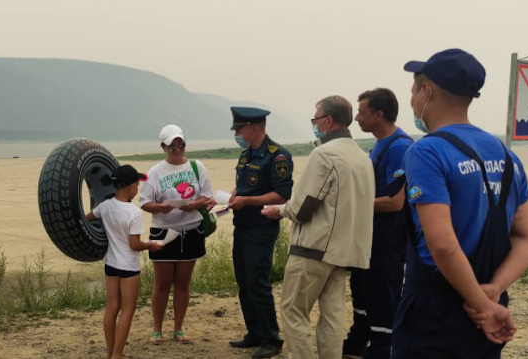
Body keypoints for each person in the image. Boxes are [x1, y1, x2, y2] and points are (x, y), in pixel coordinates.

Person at [392, 48, 528, 358]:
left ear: (425, 91)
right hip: (485, 310)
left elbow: (443, 244)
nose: (412, 100)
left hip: (436, 310)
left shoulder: (427, 152)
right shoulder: (504, 154)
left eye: (412, 91)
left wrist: (481, 303)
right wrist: (493, 292)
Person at [262, 96, 374, 359]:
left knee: (293, 310)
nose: (314, 124)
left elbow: (302, 207)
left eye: (315, 119)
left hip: (314, 247)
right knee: (333, 315)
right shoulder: (362, 158)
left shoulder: (324, 155)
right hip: (345, 251)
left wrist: (279, 211)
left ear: (328, 120)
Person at [343, 88, 413, 359]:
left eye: (361, 112)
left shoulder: (400, 147)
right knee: (361, 290)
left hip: (388, 238)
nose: (357, 117)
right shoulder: (378, 145)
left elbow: (396, 202)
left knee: (383, 294)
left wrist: (352, 205)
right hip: (368, 235)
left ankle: (383, 349)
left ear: (379, 114)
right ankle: (359, 339)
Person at [227, 106, 293, 358]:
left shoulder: (276, 156)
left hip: (261, 228)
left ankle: (271, 338)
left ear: (254, 128)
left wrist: (247, 201)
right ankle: (253, 331)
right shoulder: (246, 156)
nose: (237, 134)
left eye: (240, 129)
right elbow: (243, 188)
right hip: (241, 226)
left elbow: (281, 195)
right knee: (244, 281)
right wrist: (231, 197)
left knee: (258, 282)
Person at [138, 124, 213, 345]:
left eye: (181, 144)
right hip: (164, 230)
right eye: (172, 146)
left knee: (183, 283)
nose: (177, 149)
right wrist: (160, 208)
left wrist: (193, 204)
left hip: (191, 229)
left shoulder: (196, 166)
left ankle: (178, 328)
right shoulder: (154, 172)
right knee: (162, 283)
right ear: (163, 147)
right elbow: (144, 202)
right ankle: (157, 329)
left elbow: (207, 197)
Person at [85, 164, 163, 359]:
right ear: (130, 187)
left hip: (110, 264)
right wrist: (150, 245)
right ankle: (118, 355)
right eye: (137, 184)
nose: (138, 188)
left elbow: (86, 218)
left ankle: (111, 353)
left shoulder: (105, 206)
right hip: (128, 267)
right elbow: (135, 244)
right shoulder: (133, 213)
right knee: (127, 310)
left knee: (112, 307)